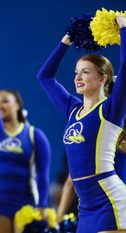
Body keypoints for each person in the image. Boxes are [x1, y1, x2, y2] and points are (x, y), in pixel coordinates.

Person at [37, 16, 126, 232]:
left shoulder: (110, 110)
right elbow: (44, 77)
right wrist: (65, 42)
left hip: (109, 198)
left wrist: (123, 28)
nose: (78, 77)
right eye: (76, 72)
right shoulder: (72, 110)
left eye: (85, 72)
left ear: (103, 78)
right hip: (85, 205)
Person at [0, 46, 51, 233]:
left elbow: (42, 174)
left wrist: (42, 204)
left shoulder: (34, 135)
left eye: (5, 101)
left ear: (18, 105)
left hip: (25, 204)